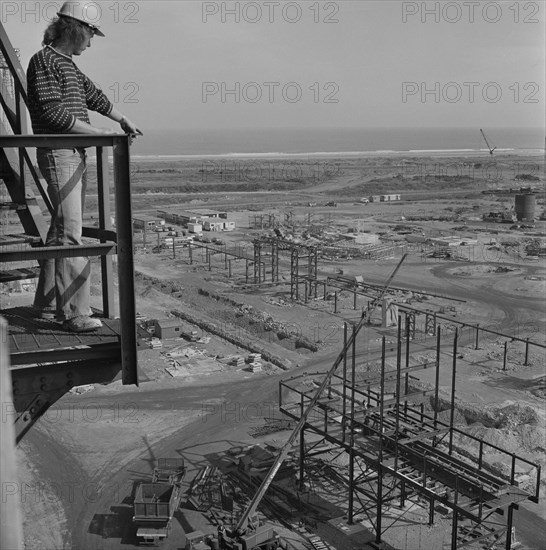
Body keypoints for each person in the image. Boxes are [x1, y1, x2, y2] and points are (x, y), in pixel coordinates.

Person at [27, 2, 142, 332]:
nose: (91, 43)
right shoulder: (44, 61)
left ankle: (47, 305)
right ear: (76, 29)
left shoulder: (66, 65)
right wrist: (99, 134)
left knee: (60, 230)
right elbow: (53, 114)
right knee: (72, 234)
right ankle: (75, 313)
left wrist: (123, 120)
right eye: (90, 34)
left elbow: (95, 96)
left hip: (72, 153)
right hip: (60, 153)